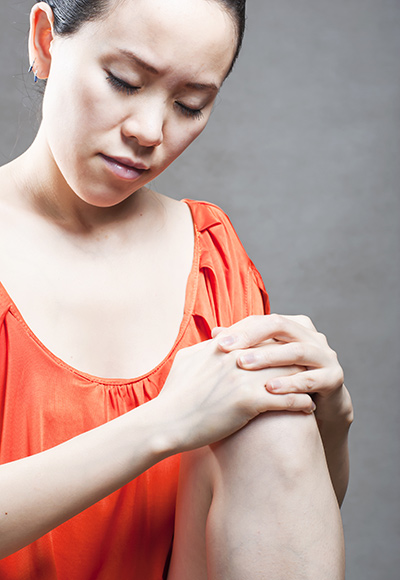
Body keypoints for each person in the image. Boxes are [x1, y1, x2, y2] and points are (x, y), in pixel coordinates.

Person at [0, 0, 353, 578]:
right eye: (123, 81)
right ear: (44, 41)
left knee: (273, 422)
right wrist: (164, 423)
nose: (148, 131)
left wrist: (330, 418)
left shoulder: (214, 257)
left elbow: (280, 532)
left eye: (190, 105)